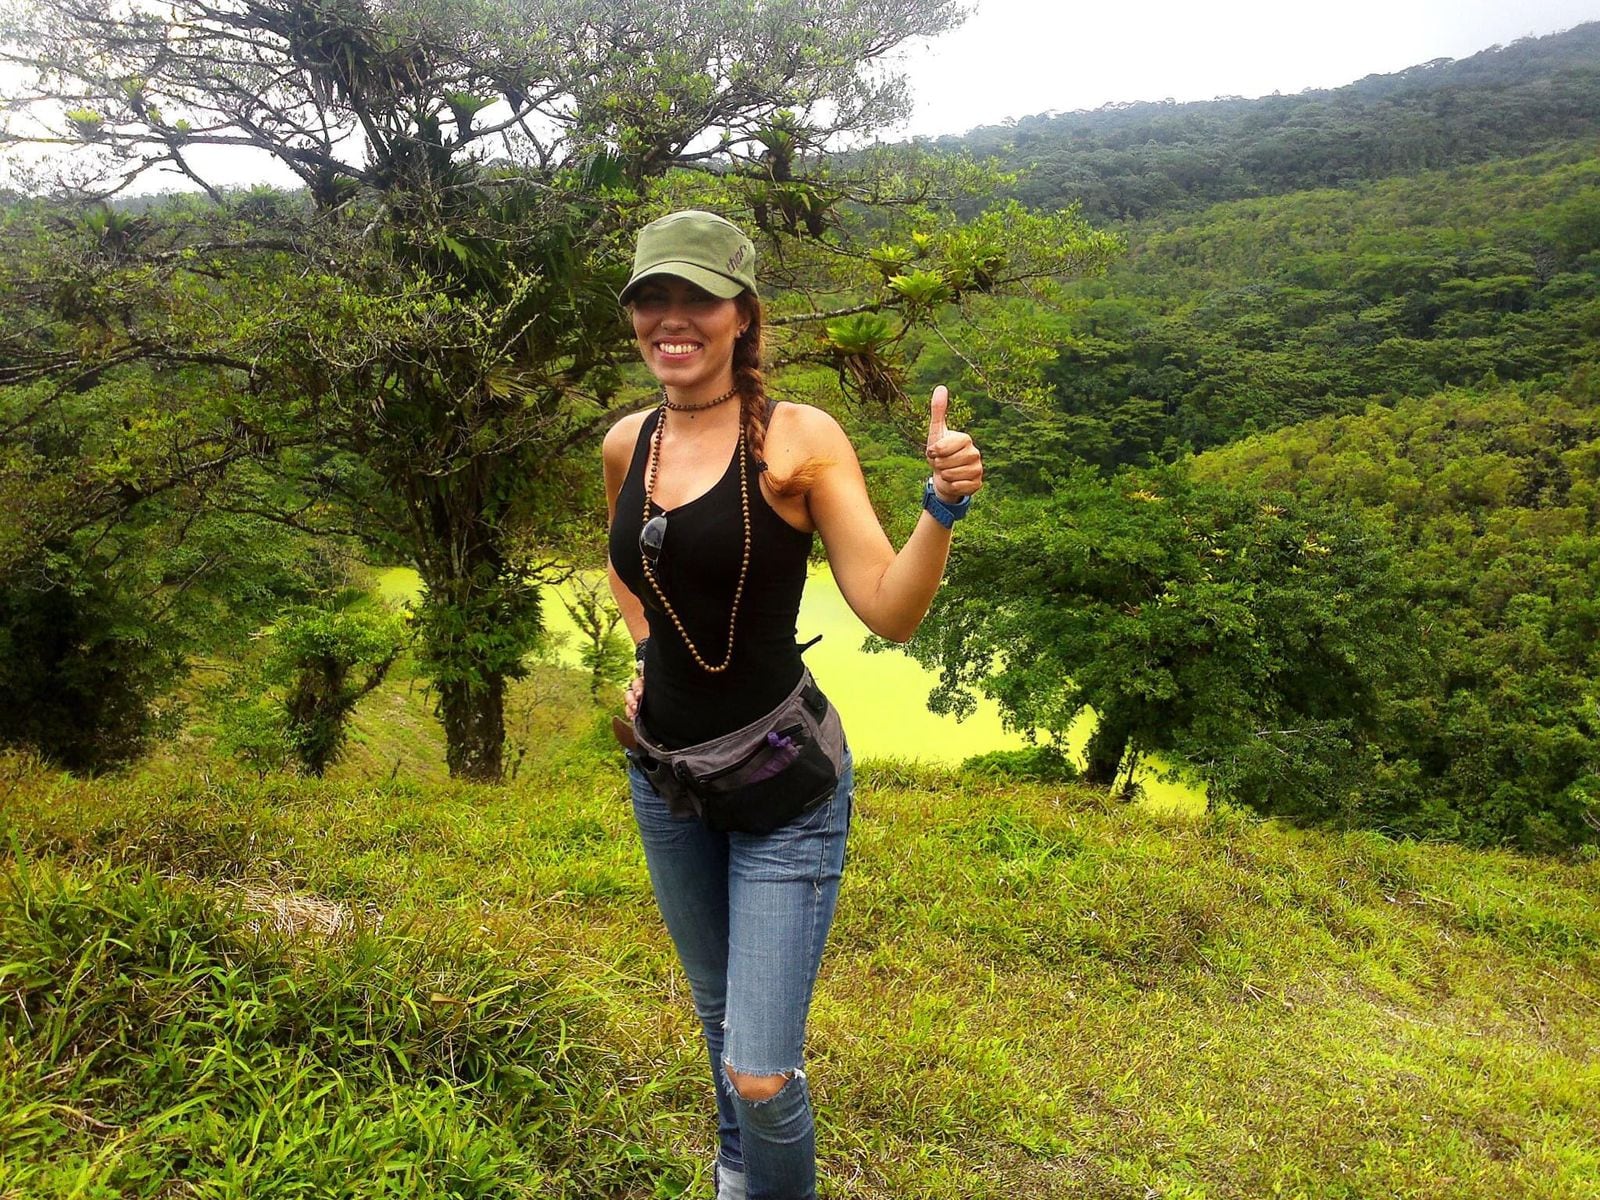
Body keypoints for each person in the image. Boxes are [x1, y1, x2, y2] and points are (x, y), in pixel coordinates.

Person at [603, 210, 983, 1200]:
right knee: (717, 1015)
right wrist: (647, 654)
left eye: (696, 299)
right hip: (668, 780)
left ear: (742, 315)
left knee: (760, 1070)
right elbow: (631, 569)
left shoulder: (796, 439)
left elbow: (890, 609)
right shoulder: (628, 443)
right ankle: (738, 1177)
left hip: (781, 785)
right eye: (652, 299)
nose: (671, 320)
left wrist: (941, 507)